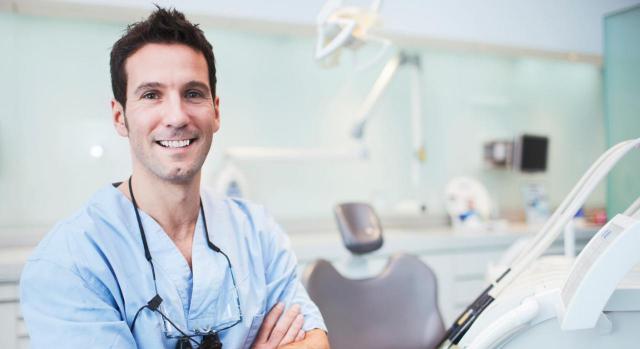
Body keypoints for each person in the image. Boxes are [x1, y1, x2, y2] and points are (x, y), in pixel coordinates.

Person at [19, 7, 329, 349]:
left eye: (193, 93)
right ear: (120, 117)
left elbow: (314, 342)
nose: (177, 116)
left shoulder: (257, 233)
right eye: (151, 95)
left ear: (216, 111)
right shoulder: (72, 261)